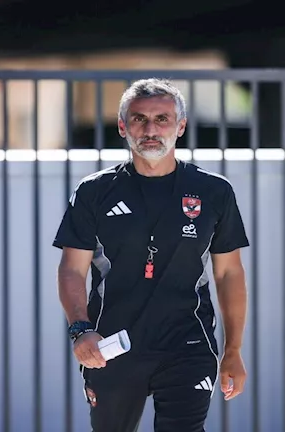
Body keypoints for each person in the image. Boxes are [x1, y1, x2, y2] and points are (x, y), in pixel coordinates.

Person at [53, 78, 250, 432]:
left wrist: (232, 350)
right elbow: (72, 269)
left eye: (162, 119)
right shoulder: (94, 192)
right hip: (112, 345)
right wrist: (80, 330)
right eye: (139, 119)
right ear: (122, 126)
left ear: (180, 126)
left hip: (188, 343)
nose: (150, 129)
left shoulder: (214, 191)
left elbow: (228, 274)